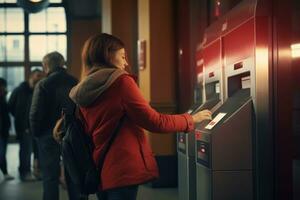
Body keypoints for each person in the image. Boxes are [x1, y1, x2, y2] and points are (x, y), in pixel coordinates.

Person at [68, 33, 212, 200]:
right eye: (122, 56)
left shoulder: (83, 89)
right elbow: (155, 122)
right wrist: (191, 119)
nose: (126, 62)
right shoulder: (121, 83)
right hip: (123, 167)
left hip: (100, 166)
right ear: (107, 54)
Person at [29, 51, 79, 200]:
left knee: (50, 177)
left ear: (46, 66)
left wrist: (37, 134)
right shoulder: (75, 81)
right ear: (62, 63)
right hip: (71, 134)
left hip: (47, 135)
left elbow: (35, 113)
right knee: (74, 175)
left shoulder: (43, 84)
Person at [8, 69, 44, 181]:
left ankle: (37, 171)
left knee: (38, 150)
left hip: (37, 126)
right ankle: (25, 172)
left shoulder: (39, 90)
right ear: (31, 76)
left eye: (41, 76)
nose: (39, 78)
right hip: (24, 127)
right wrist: (22, 122)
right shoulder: (19, 90)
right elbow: (11, 107)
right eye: (38, 76)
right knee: (25, 151)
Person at [0, 78, 14, 181]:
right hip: (1, 131)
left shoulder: (2, 97)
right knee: (1, 153)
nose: (4, 88)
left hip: (3, 130)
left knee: (2, 153)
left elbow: (6, 112)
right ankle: (5, 172)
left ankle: (5, 173)